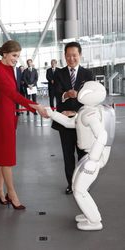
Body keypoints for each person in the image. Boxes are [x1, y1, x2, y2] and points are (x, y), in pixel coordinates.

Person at [33, 81, 115, 231]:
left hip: (93, 157)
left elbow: (102, 135)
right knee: (76, 184)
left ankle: (95, 221)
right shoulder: (87, 110)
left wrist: (94, 159)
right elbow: (71, 123)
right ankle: (89, 214)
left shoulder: (90, 113)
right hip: (89, 155)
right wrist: (52, 113)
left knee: (79, 190)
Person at [0, 40, 47, 209]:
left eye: (18, 56)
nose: (17, 59)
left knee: (2, 158)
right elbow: (13, 94)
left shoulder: (8, 68)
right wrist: (35, 106)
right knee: (6, 159)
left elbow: (13, 95)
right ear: (5, 53)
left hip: (8, 117)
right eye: (14, 55)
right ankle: (12, 194)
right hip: (2, 119)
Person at [52, 42, 94, 194]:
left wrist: (77, 110)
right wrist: (66, 94)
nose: (71, 58)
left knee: (84, 155)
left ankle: (83, 184)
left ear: (80, 55)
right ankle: (71, 184)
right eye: (68, 55)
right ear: (64, 56)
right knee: (68, 154)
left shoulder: (88, 74)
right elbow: (57, 94)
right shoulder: (59, 73)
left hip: (82, 121)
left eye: (74, 55)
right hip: (65, 122)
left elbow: (92, 97)